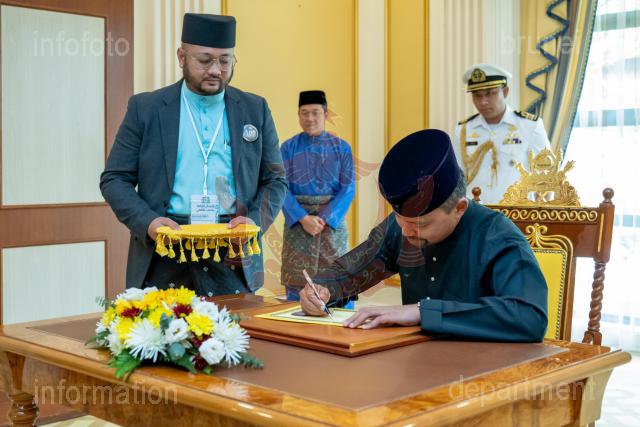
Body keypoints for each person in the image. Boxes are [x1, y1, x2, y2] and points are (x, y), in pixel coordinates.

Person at [300, 129, 548, 342]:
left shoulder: (498, 236)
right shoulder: (400, 228)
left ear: (459, 208)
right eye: (401, 220)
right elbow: (350, 271)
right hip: (413, 363)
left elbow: (529, 316)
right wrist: (321, 290)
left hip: (485, 371)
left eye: (421, 224)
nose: (406, 232)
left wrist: (422, 312)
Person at [100, 13, 286, 296]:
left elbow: (276, 180)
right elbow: (114, 179)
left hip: (231, 249)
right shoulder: (146, 108)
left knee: (233, 326)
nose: (215, 70)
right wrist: (148, 222)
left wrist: (254, 222)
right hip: (164, 246)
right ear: (181, 57)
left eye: (225, 61)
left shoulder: (255, 109)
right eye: (205, 60)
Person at [280, 90, 355, 302]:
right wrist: (303, 218)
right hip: (298, 225)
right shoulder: (287, 148)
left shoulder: (342, 148)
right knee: (297, 281)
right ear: (298, 115)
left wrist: (325, 219)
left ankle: (341, 319)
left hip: (331, 224)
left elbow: (348, 188)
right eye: (304, 113)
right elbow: (280, 187)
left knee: (338, 278)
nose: (310, 118)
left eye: (315, 112)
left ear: (325, 114)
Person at [452, 64, 551, 204]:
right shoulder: (463, 130)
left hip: (516, 213)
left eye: (490, 93)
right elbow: (455, 179)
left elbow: (546, 177)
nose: (483, 102)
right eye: (477, 95)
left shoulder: (530, 126)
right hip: (475, 212)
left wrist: (542, 213)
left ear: (505, 92)